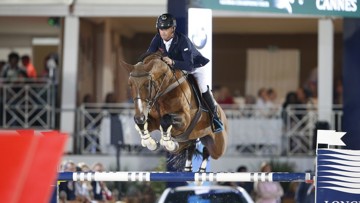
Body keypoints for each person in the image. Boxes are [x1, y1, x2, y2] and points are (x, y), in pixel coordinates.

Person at [146, 13, 223, 133]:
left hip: (195, 67)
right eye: (161, 28)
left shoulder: (183, 41)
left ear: (173, 29)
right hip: (175, 68)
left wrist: (172, 61)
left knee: (203, 88)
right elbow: (149, 55)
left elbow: (189, 66)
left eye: (166, 28)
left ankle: (215, 118)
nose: (163, 32)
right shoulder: (157, 39)